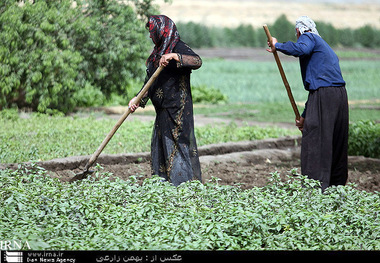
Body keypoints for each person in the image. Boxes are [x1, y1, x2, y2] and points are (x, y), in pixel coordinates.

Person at [266, 16, 349, 191]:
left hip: (325, 95)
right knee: (335, 140)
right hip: (338, 96)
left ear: (298, 31)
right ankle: (336, 187)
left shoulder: (308, 37)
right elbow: (317, 91)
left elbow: (301, 49)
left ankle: (315, 189)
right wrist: (305, 116)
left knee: (316, 140)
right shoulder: (324, 46)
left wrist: (277, 45)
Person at [128, 15, 202, 186]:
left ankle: (183, 187)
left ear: (162, 31)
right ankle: (163, 185)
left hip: (178, 110)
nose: (150, 36)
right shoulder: (157, 52)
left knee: (178, 147)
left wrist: (175, 56)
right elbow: (150, 82)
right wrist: (138, 98)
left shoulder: (177, 46)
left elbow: (197, 61)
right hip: (162, 109)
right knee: (161, 146)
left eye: (152, 32)